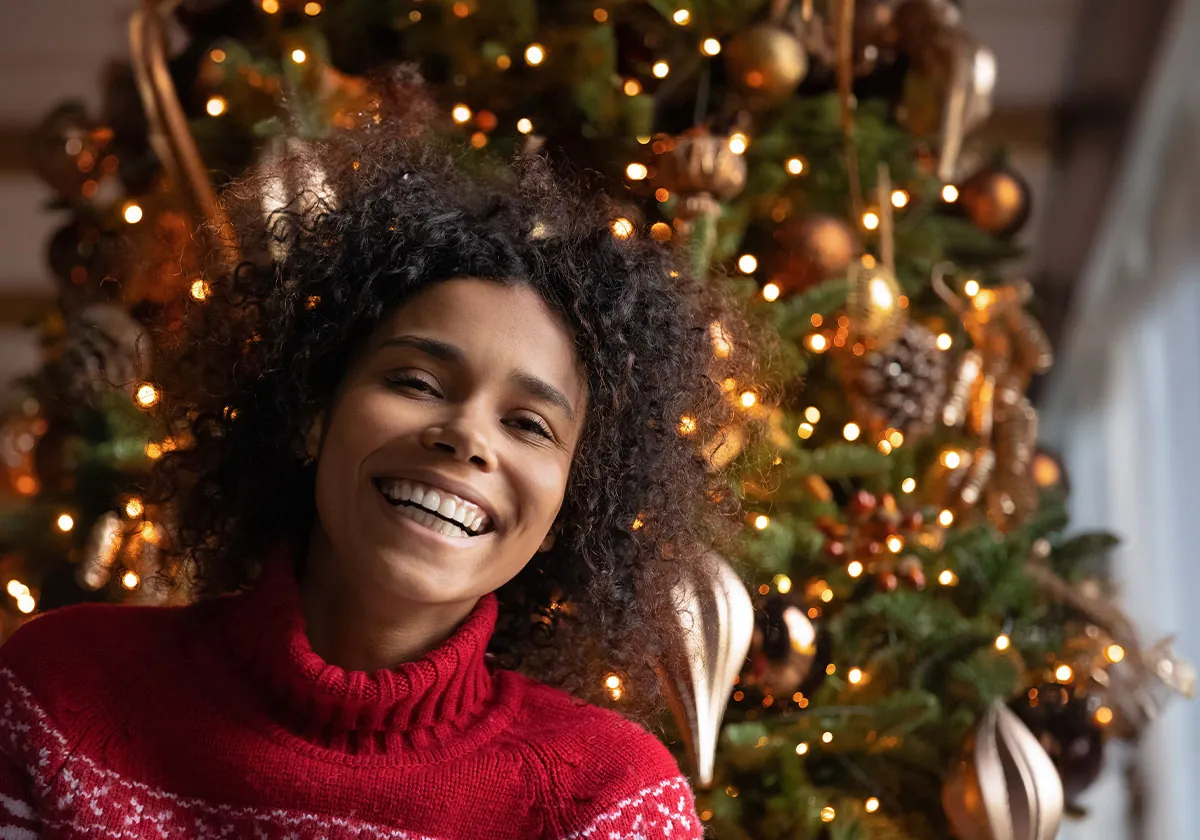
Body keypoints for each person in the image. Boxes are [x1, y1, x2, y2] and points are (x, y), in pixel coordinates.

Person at [0, 106, 767, 838]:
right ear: (312, 413)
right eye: (416, 383)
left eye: (529, 425)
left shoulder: (610, 802)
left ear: (570, 504)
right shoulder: (60, 697)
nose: (467, 438)